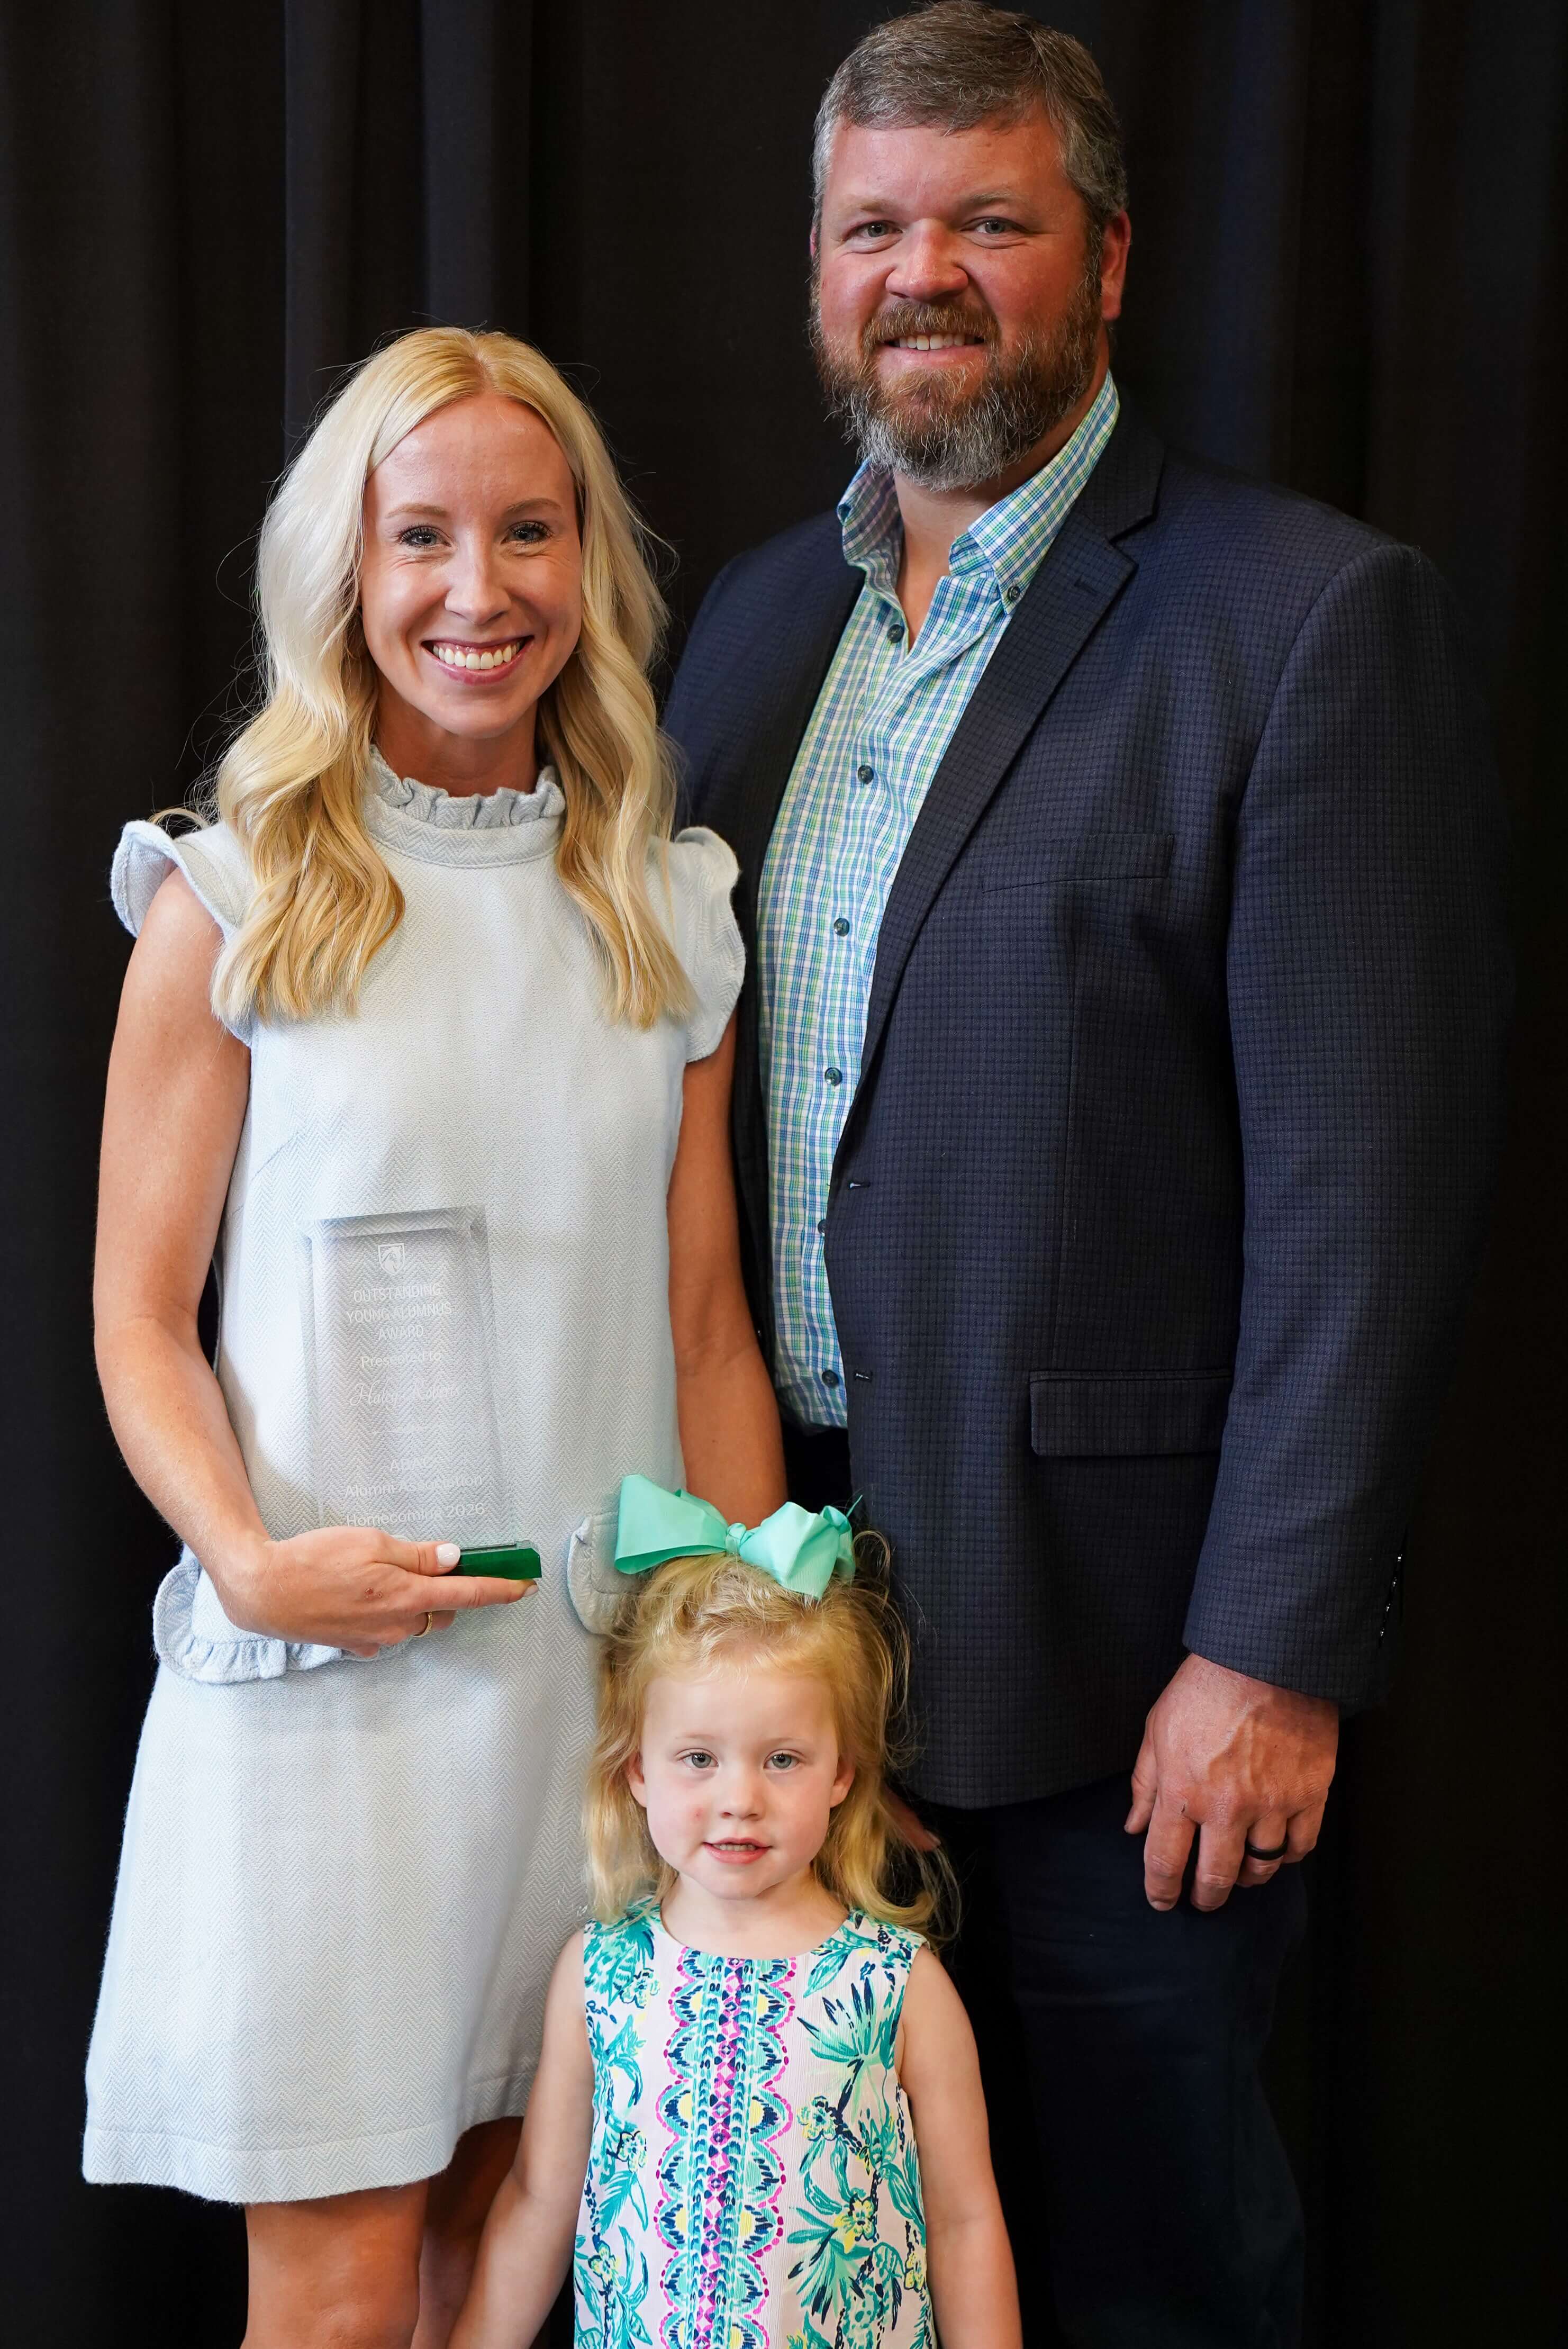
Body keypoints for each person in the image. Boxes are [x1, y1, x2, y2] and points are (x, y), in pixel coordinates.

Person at [662, 7, 1512, 2342]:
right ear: (820, 271)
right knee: (825, 2255)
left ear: (1109, 260)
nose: (922, 271)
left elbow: (1371, 1175)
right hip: (782, 1623)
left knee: (1150, 2254)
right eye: (873, 228)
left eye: (986, 221)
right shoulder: (746, 630)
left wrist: (1271, 1641)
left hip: (1136, 1646)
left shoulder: (1301, 619)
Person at [84, 327, 783, 2349]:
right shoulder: (233, 901)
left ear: (590, 566)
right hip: (329, 1693)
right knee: (336, 2285)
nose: (478, 590)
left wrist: (759, 1691)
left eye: (527, 530)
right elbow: (137, 1318)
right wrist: (243, 1548)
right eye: (421, 536)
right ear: (345, 570)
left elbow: (706, 1331)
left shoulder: (668, 914)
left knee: (515, 2263)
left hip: (588, 1708)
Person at [452, 1481, 1021, 2349]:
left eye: (783, 1758)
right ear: (636, 1769)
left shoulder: (897, 1984)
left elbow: (966, 2220)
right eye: (698, 1759)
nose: (739, 1800)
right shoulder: (600, 1972)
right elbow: (538, 2199)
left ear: (843, 1772)